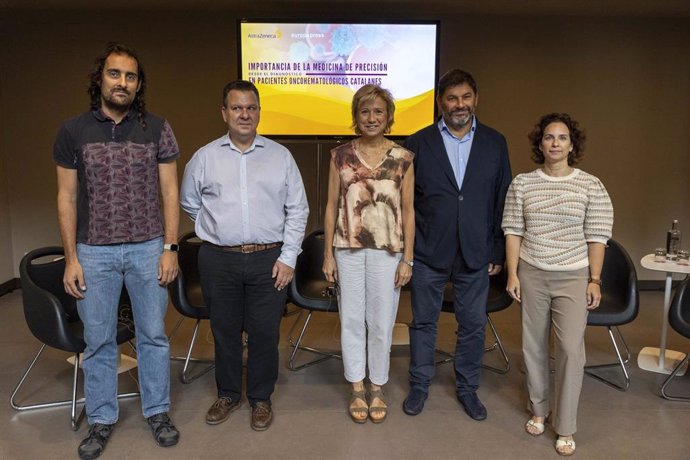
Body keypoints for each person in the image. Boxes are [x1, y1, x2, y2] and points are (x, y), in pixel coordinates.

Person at [54, 42, 180, 460]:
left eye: (130, 76)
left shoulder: (157, 128)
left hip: (148, 249)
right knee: (98, 342)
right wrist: (71, 258)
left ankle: (158, 411)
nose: (122, 82)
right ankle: (102, 419)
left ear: (138, 84)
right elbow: (66, 198)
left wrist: (170, 248)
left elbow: (169, 191)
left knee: (154, 337)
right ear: (100, 79)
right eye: (114, 74)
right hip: (94, 252)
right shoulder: (73, 131)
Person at [180, 80, 308, 432]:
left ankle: (261, 398)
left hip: (270, 259)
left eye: (250, 107)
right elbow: (190, 202)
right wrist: (219, 229)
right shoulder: (204, 157)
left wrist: (289, 258)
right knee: (224, 331)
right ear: (224, 113)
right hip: (218, 259)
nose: (244, 114)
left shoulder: (281, 156)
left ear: (259, 112)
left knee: (266, 332)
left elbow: (298, 210)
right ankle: (228, 393)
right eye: (236, 108)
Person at [403, 69, 512, 421]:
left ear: (475, 99)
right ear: (440, 102)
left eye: (465, 97)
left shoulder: (496, 142)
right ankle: (419, 384)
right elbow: (406, 203)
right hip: (428, 249)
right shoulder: (417, 143)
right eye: (451, 98)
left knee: (473, 324)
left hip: (476, 251)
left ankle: (467, 388)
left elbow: (502, 199)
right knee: (423, 322)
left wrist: (497, 249)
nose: (459, 105)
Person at [502, 113, 613, 456]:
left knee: (569, 350)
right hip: (533, 272)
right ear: (540, 144)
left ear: (572, 145)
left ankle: (565, 425)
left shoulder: (590, 184)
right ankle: (539, 408)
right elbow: (513, 231)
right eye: (549, 137)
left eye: (562, 137)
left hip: (574, 275)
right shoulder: (522, 183)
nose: (555, 143)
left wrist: (594, 279)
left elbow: (597, 235)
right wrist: (513, 273)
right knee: (534, 346)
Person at [323, 84, 415, 424]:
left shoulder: (403, 158)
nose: (372, 118)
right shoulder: (340, 156)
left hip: (389, 252)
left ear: (388, 116)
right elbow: (331, 205)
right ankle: (357, 386)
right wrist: (328, 255)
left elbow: (409, 211)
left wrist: (408, 258)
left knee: (381, 322)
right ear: (356, 117)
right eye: (365, 112)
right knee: (350, 320)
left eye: (378, 112)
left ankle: (377, 386)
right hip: (347, 249)